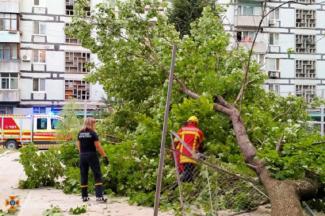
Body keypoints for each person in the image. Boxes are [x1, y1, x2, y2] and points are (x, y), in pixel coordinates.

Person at [76, 117, 109, 202]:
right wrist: (104, 156)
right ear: (91, 124)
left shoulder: (80, 133)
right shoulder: (93, 133)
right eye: (94, 123)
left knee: (84, 175)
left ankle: (84, 197)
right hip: (92, 155)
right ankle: (99, 196)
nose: (95, 125)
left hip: (82, 156)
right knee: (97, 174)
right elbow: (97, 146)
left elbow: (78, 145)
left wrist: (82, 154)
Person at [175, 116, 204, 182]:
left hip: (181, 154)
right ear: (196, 123)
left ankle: (184, 184)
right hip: (191, 155)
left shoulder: (182, 129)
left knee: (188, 174)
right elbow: (201, 146)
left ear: (188, 122)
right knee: (188, 173)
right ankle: (176, 185)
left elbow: (175, 141)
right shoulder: (199, 132)